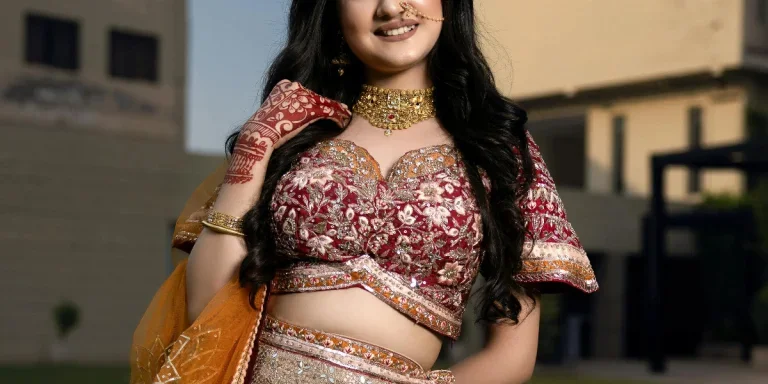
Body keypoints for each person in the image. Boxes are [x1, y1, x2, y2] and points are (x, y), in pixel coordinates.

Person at [130, 1, 598, 383]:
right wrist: (255, 150)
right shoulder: (296, 132)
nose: (391, 7)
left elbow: (512, 359)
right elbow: (205, 313)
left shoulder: (498, 145)